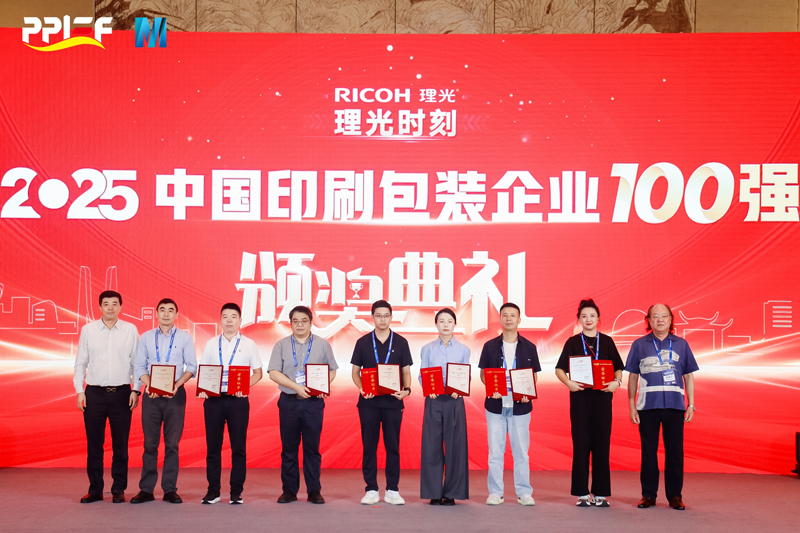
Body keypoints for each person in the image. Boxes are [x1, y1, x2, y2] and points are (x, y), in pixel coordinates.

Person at [626, 303, 698, 511]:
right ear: (648, 320)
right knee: (649, 452)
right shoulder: (639, 345)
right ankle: (648, 495)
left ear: (670, 319)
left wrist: (691, 404)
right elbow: (633, 376)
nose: (660, 319)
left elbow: (688, 376)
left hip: (675, 406)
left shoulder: (681, 344)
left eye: (664, 316)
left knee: (675, 452)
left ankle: (675, 496)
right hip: (647, 406)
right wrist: (631, 405)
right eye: (655, 316)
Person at [555, 299, 624, 507]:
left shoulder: (607, 341)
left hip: (603, 398)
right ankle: (582, 493)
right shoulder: (573, 342)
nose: (588, 319)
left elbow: (618, 367)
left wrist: (617, 382)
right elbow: (559, 369)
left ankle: (601, 493)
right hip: (580, 399)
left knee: (602, 445)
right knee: (581, 445)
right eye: (584, 316)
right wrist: (569, 383)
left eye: (592, 315)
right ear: (579, 320)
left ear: (598, 319)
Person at [73, 290, 140, 503]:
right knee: (94, 445)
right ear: (100, 307)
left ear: (120, 307)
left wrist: (136, 390)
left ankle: (118, 488)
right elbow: (80, 363)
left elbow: (137, 363)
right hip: (94, 394)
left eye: (114, 303)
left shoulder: (130, 330)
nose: (110, 307)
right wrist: (80, 390)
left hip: (122, 394)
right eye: (106, 304)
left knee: (121, 445)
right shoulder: (88, 330)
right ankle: (95, 489)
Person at [268, 305, 338, 505]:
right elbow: (274, 373)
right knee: (288, 449)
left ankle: (314, 491)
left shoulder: (322, 344)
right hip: (289, 402)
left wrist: (323, 386)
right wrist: (296, 387)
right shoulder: (281, 345)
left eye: (304, 321)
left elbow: (332, 370)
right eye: (295, 321)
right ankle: (289, 491)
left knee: (312, 449)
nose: (300, 325)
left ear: (310, 322)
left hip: (313, 403)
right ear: (290, 323)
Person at [130, 298, 197, 504]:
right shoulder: (146, 337)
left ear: (176, 315)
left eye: (170, 310)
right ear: (156, 313)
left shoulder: (185, 338)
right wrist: (149, 384)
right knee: (150, 444)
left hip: (175, 396)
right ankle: (146, 490)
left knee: (172, 444)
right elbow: (139, 367)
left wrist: (176, 385)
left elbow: (191, 367)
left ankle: (169, 490)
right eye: (162, 310)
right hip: (151, 395)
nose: (166, 314)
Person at [197, 303, 263, 505]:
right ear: (220, 320)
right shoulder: (210, 344)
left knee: (238, 447)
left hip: (238, 402)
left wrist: (245, 387)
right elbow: (205, 371)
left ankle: (236, 492)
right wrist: (203, 388)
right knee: (213, 448)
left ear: (240, 320)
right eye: (225, 316)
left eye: (233, 316)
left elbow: (258, 373)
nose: (229, 320)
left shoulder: (249, 344)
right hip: (214, 401)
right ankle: (213, 491)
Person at [351, 300, 413, 505]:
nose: (382, 319)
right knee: (369, 447)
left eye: (386, 315)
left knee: (392, 447)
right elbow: (355, 372)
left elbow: (406, 371)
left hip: (393, 403)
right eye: (378, 315)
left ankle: (392, 489)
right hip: (368, 403)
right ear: (372, 317)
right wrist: (362, 388)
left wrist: (407, 390)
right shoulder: (362, 342)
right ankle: (371, 489)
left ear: (391, 317)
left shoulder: (401, 342)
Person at [478, 302, 540, 506]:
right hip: (495, 406)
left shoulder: (529, 347)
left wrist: (528, 392)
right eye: (505, 315)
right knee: (495, 452)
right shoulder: (490, 346)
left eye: (513, 315)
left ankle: (524, 492)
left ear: (519, 319)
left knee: (521, 452)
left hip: (520, 406)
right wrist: (490, 387)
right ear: (500, 319)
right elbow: (483, 374)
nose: (509, 319)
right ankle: (495, 492)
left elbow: (533, 376)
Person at [419, 308, 470, 505]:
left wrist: (461, 389)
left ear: (455, 324)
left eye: (449, 321)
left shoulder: (463, 350)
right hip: (434, 400)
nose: (445, 324)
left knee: (456, 446)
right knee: (431, 446)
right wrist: (428, 388)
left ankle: (451, 493)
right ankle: (433, 491)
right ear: (436, 324)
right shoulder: (427, 349)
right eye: (441, 321)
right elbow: (423, 374)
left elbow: (466, 374)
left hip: (455, 401)